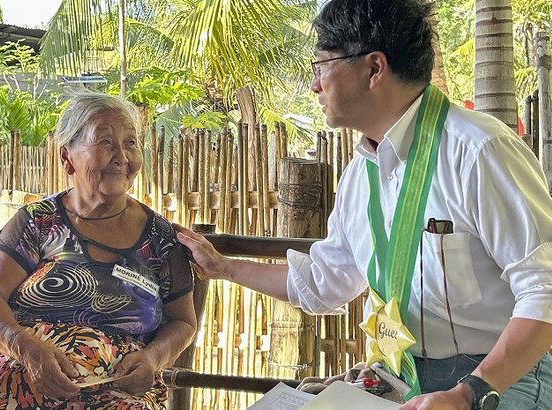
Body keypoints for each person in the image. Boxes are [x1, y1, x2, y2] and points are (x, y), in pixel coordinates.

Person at [175, 0, 552, 409]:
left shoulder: (478, 149)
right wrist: (222, 267)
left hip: (500, 380)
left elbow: (544, 289)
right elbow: (326, 281)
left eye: (321, 67)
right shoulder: (362, 173)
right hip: (406, 377)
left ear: (374, 68)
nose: (315, 86)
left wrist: (467, 394)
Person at [0, 91, 197, 409]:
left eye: (131, 143)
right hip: (20, 382)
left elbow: (183, 322)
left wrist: (152, 359)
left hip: (117, 394)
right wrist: (26, 349)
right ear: (67, 157)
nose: (122, 157)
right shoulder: (39, 222)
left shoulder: (159, 238)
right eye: (106, 142)